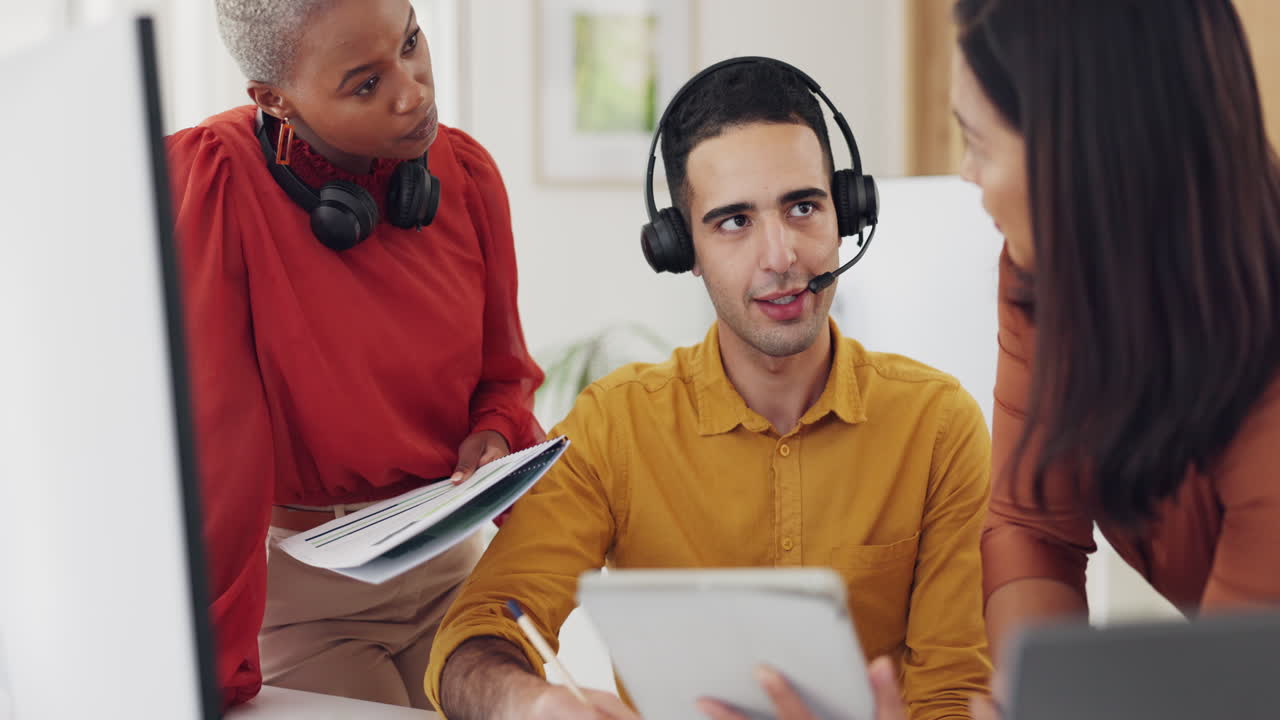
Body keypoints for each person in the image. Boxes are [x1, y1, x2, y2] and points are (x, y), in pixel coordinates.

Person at [727, 0, 1280, 717]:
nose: (966, 176)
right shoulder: (1042, 276)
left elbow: (1236, 694)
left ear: (1085, 155)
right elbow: (1032, 527)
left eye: (980, 145)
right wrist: (1032, 702)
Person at [426, 57, 993, 720]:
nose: (780, 255)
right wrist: (527, 703)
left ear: (848, 210)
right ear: (680, 248)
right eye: (734, 222)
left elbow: (955, 691)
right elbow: (473, 641)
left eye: (803, 207)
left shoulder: (937, 425)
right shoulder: (616, 427)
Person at [166, 0, 543, 710]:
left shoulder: (466, 173)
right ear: (274, 100)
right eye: (365, 84)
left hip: (452, 566)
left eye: (410, 42)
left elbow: (505, 374)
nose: (414, 90)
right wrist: (206, 670)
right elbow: (216, 445)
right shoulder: (216, 181)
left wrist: (493, 430)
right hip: (308, 601)